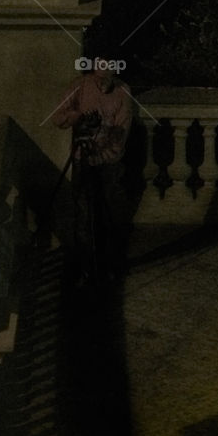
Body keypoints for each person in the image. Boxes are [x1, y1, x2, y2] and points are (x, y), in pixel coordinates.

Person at [52, 57, 133, 282]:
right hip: (83, 159)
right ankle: (84, 265)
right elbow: (57, 118)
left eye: (109, 70)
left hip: (109, 163)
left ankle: (110, 264)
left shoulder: (123, 91)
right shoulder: (80, 86)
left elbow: (121, 132)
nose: (103, 79)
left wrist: (103, 154)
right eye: (100, 70)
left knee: (110, 212)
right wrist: (75, 117)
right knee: (83, 213)